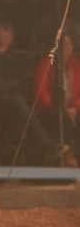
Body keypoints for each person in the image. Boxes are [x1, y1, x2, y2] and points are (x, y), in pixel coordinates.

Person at [0, 22, 67, 163]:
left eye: (7, 36)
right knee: (17, 102)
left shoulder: (13, 61)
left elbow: (23, 85)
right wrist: (14, 85)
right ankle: (44, 142)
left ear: (11, 40)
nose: (2, 40)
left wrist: (11, 86)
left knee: (20, 117)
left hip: (10, 106)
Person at [33, 32, 80, 166]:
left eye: (68, 43)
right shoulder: (46, 63)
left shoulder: (76, 65)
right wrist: (64, 109)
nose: (65, 47)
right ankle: (65, 158)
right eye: (62, 44)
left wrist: (75, 108)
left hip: (72, 110)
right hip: (48, 110)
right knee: (63, 119)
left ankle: (75, 157)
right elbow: (40, 94)